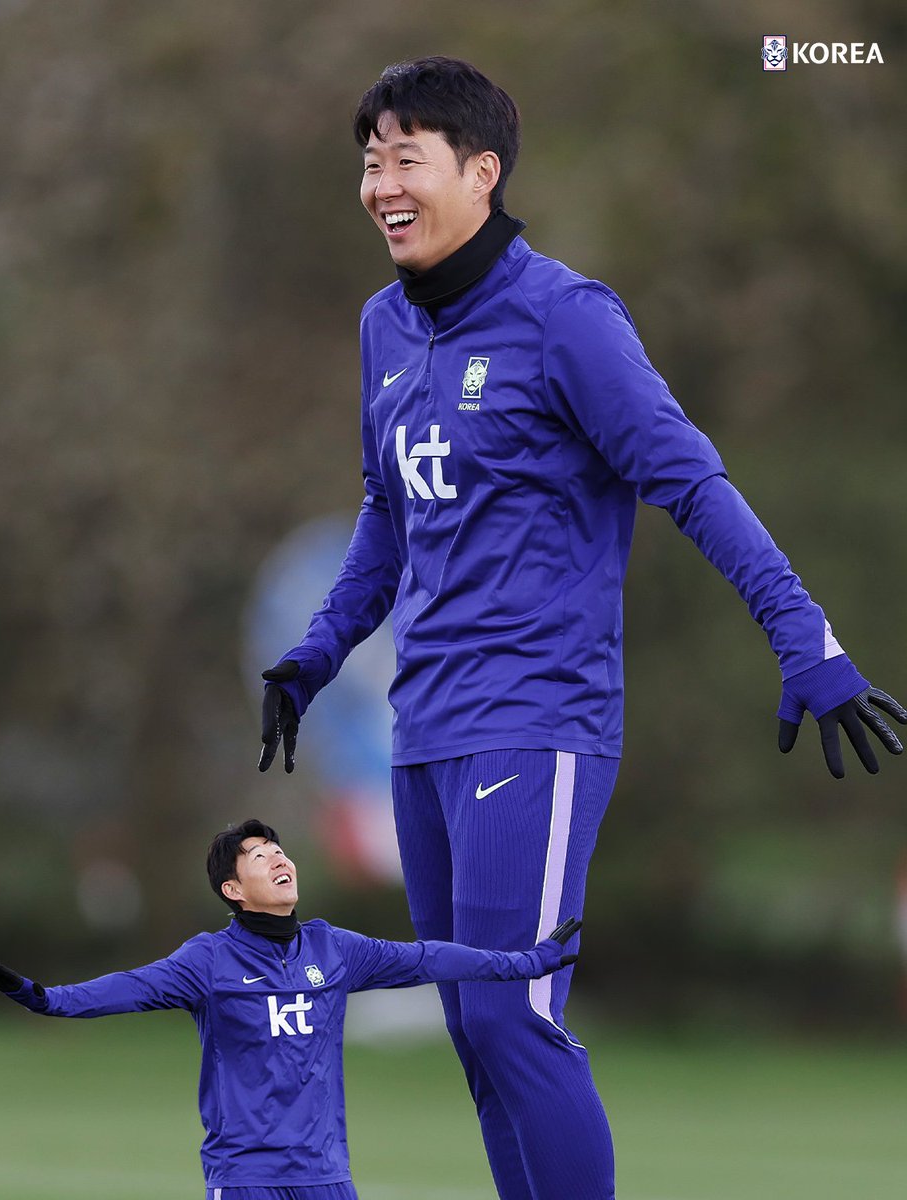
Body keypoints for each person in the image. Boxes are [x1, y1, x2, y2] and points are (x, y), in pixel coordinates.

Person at [257, 57, 907, 1200]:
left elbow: (692, 481)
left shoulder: (567, 319)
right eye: (370, 162)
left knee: (516, 1022)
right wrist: (318, 651)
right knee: (477, 1034)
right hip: (426, 733)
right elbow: (387, 516)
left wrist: (808, 639)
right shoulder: (384, 329)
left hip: (539, 725)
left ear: (483, 171)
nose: (381, 184)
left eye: (407, 157)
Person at [0, 818, 580, 1200]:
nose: (277, 857)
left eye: (278, 849)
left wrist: (526, 963)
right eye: (258, 855)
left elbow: (428, 958)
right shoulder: (206, 961)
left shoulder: (334, 948)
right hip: (246, 1177)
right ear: (232, 890)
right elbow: (126, 987)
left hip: (326, 1176)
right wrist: (43, 999)